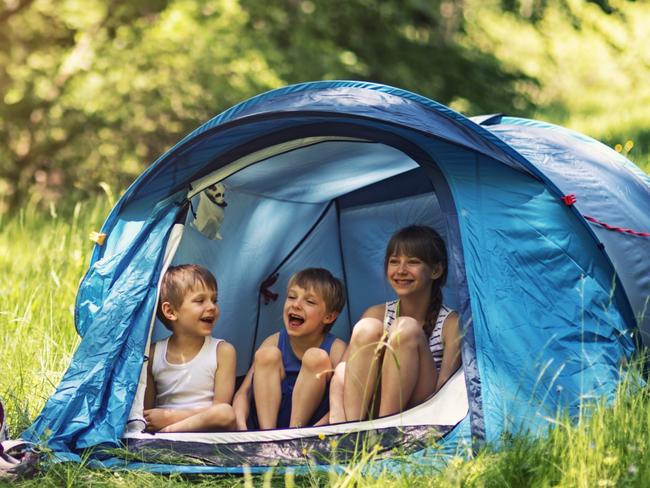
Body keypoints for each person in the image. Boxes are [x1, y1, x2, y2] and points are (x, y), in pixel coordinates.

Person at [329, 225, 461, 423]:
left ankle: (385, 430)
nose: (401, 270)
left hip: (423, 407)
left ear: (436, 270)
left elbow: (445, 388)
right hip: (370, 405)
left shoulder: (451, 323)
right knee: (367, 329)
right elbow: (344, 373)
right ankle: (354, 431)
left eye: (413, 262)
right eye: (394, 262)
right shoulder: (376, 313)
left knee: (405, 328)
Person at [233, 268, 347, 430]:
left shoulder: (336, 349)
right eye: (292, 297)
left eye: (310, 302)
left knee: (316, 357)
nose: (296, 304)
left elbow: (343, 401)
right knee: (266, 355)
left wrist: (319, 431)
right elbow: (243, 393)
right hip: (268, 424)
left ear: (329, 317)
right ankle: (268, 437)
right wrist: (241, 427)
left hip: (310, 429)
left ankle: (294, 434)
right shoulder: (273, 341)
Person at [144, 264, 237, 432]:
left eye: (214, 300)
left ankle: (168, 433)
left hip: (205, 427)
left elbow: (220, 409)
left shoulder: (223, 351)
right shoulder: (153, 354)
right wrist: (156, 418)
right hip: (164, 422)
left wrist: (170, 418)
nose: (211, 307)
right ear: (170, 311)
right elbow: (147, 413)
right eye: (200, 301)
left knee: (226, 412)